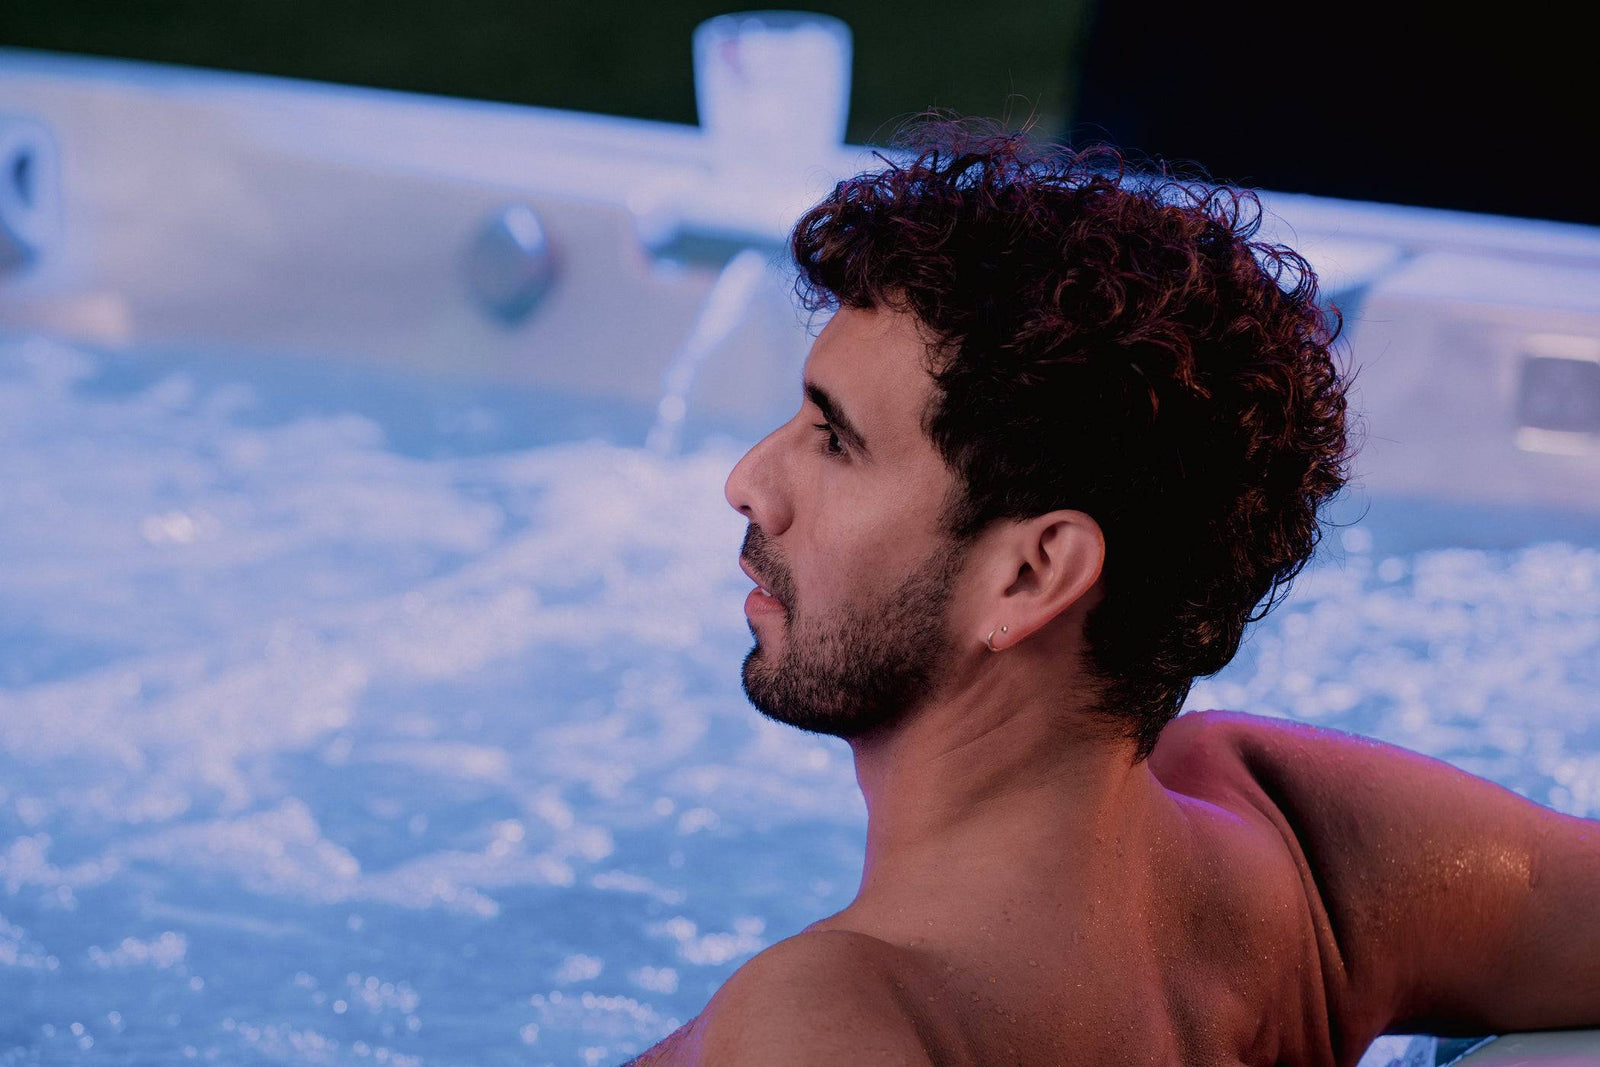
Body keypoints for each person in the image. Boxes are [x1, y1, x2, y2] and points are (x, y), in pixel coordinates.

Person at [627, 121, 1600, 1066]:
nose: (750, 480)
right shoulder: (1309, 851)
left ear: (1030, 572)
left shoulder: (829, 1013)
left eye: (834, 440)